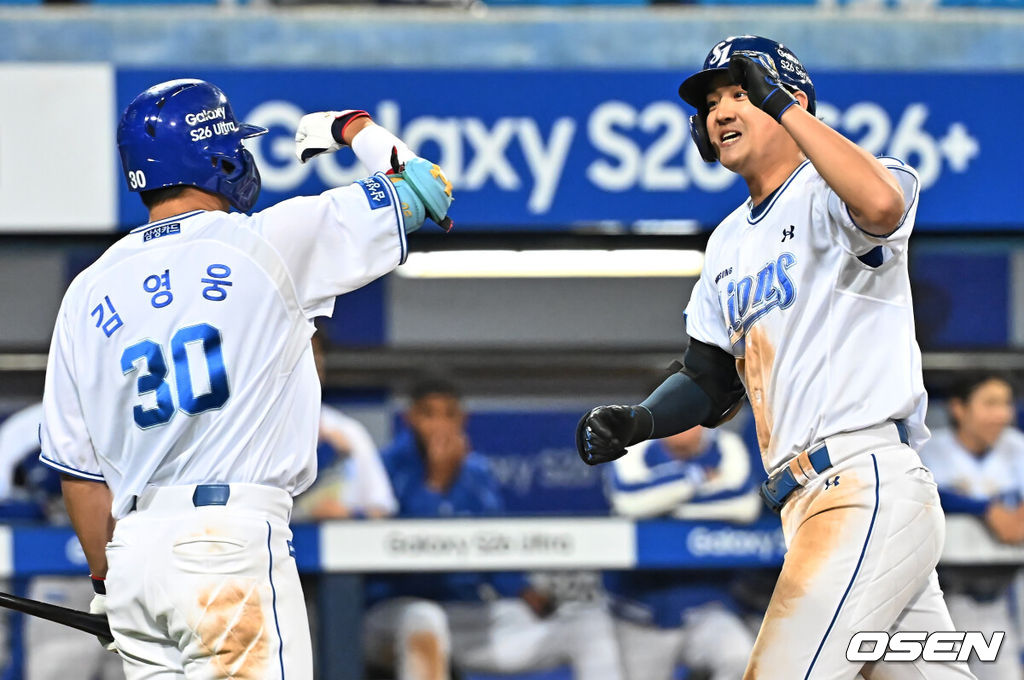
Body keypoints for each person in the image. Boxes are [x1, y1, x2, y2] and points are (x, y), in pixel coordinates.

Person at [576, 35, 975, 680]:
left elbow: (879, 205)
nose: (722, 110)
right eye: (711, 102)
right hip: (805, 503)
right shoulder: (729, 241)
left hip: (862, 479)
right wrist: (641, 421)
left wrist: (789, 109)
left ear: (788, 99)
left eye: (740, 92)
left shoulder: (841, 183)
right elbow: (709, 379)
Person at [36, 78, 452, 678]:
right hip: (225, 546)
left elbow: (79, 478)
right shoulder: (267, 241)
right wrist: (353, 127)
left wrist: (107, 581)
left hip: (134, 558)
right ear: (216, 155)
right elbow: (426, 190)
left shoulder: (86, 291)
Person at [364, 379, 624, 680]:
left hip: (464, 612)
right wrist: (437, 483)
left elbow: (493, 545)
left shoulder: (477, 473)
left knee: (589, 626)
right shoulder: (379, 468)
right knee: (425, 619)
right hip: (391, 616)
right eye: (428, 414)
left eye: (449, 414)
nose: (440, 425)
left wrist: (522, 591)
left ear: (463, 418)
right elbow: (393, 554)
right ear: (410, 418)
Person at [604, 425, 760, 680]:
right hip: (642, 613)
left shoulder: (725, 445)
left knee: (741, 657)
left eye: (693, 412)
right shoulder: (631, 446)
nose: (685, 422)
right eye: (675, 413)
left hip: (707, 605)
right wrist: (696, 477)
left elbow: (744, 503)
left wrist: (664, 508)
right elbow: (628, 501)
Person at [0, 402, 125, 680]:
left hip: (127, 569)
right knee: (59, 666)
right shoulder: (28, 428)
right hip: (57, 576)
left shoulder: (129, 411)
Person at [919, 373, 1024, 680]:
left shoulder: (1016, 447)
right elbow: (925, 492)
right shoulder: (930, 448)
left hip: (999, 597)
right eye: (990, 403)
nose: (1002, 414)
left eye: (1006, 404)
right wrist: (985, 508)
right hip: (939, 597)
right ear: (959, 408)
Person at [293, 332, 397, 520]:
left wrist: (350, 516)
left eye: (316, 354)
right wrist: (324, 455)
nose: (312, 363)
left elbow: (382, 510)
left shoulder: (348, 431)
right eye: (298, 353)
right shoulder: (254, 429)